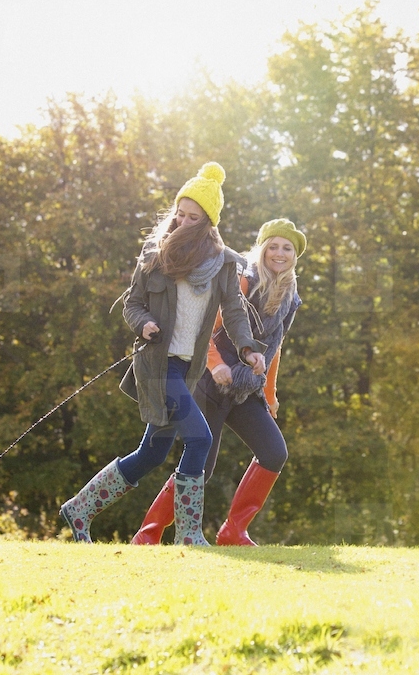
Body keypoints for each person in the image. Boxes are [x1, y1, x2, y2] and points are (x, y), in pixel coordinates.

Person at [59, 162, 265, 545]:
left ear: (208, 222)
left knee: (151, 454)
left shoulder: (223, 264)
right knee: (200, 440)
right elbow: (132, 305)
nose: (182, 222)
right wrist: (144, 324)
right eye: (179, 214)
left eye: (193, 217)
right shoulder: (155, 255)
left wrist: (248, 348)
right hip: (157, 367)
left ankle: (78, 509)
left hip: (187, 369)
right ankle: (187, 536)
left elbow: (235, 312)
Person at [131, 218, 305, 546]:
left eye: (287, 248)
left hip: (245, 388)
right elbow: (204, 325)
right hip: (209, 382)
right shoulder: (242, 279)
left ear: (295, 255)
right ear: (262, 248)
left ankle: (233, 531)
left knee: (273, 452)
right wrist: (215, 364)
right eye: (273, 246)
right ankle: (148, 534)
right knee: (202, 468)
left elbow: (274, 348)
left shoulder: (290, 297)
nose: (279, 253)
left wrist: (269, 393)